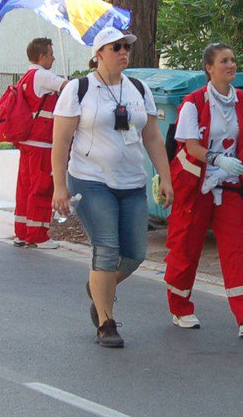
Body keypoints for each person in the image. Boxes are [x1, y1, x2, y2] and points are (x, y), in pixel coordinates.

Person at [51, 27, 173, 349]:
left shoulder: (138, 88)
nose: (123, 52)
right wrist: (59, 186)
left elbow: (152, 137)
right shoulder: (79, 90)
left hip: (131, 181)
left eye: (126, 47)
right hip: (90, 180)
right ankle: (106, 323)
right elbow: (61, 142)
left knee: (134, 254)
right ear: (98, 53)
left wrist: (166, 177)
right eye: (116, 47)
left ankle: (99, 285)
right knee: (105, 248)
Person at [162, 42, 243, 338]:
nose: (231, 65)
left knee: (237, 248)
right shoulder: (193, 103)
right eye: (224, 61)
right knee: (186, 246)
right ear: (209, 68)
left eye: (233, 60)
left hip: (231, 185)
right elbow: (190, 146)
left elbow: (242, 138)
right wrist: (217, 158)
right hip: (196, 185)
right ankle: (180, 306)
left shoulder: (241, 99)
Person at [13, 37, 66, 249]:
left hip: (27, 141)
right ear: (41, 56)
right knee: (41, 188)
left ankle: (22, 232)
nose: (53, 58)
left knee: (25, 187)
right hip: (42, 143)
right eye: (51, 54)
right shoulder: (43, 76)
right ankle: (38, 235)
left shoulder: (26, 76)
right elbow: (67, 87)